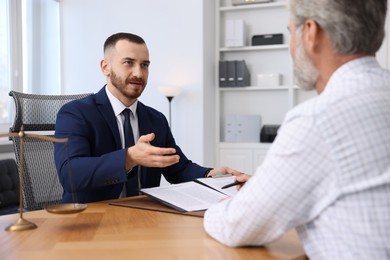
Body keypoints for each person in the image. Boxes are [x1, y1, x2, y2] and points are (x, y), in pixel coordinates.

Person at [203, 0, 390, 259]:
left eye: (292, 31)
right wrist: (267, 187)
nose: (291, 47)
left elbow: (237, 226)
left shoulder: (318, 118)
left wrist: (222, 207)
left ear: (311, 33)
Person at [54, 32, 238, 203]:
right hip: (90, 220)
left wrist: (210, 174)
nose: (139, 73)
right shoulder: (75, 113)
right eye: (128, 62)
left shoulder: (155, 119)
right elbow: (70, 175)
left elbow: (177, 168)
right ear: (105, 67)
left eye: (145, 65)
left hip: (144, 216)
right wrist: (129, 158)